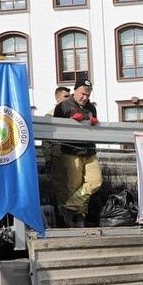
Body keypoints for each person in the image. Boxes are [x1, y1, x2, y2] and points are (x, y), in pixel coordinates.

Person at [52, 79, 101, 227]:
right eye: (82, 94)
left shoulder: (91, 107)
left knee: (96, 181)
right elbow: (56, 129)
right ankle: (78, 218)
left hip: (89, 150)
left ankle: (68, 207)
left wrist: (94, 124)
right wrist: (71, 123)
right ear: (75, 91)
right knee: (74, 185)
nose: (85, 97)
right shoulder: (63, 107)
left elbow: (94, 125)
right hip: (71, 151)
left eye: (88, 94)